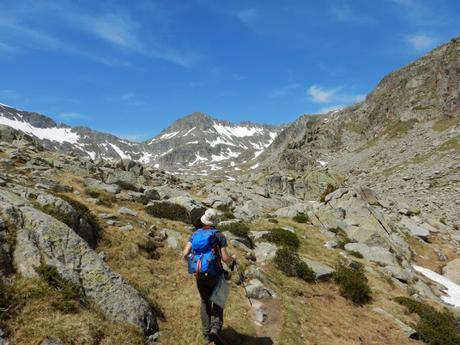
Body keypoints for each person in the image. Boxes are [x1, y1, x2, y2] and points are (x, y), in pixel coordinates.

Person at [182, 208, 236, 345]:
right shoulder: (219, 235)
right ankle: (215, 329)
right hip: (215, 273)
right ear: (214, 222)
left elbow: (184, 254)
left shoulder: (195, 234)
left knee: (205, 302)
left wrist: (195, 263)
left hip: (199, 274)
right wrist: (232, 258)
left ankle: (206, 335)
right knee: (218, 300)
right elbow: (224, 258)